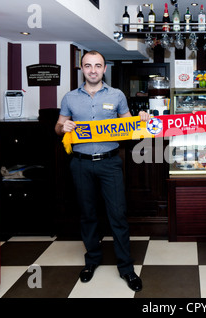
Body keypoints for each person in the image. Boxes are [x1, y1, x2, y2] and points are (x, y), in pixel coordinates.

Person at [55, 50, 150, 292]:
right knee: (87, 214)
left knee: (117, 214)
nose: (93, 70)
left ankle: (126, 268)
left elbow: (130, 128)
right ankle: (92, 261)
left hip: (110, 163)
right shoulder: (69, 98)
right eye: (88, 65)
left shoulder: (117, 95)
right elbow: (58, 126)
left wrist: (141, 120)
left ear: (104, 69)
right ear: (82, 68)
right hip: (81, 163)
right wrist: (62, 126)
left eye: (98, 65)